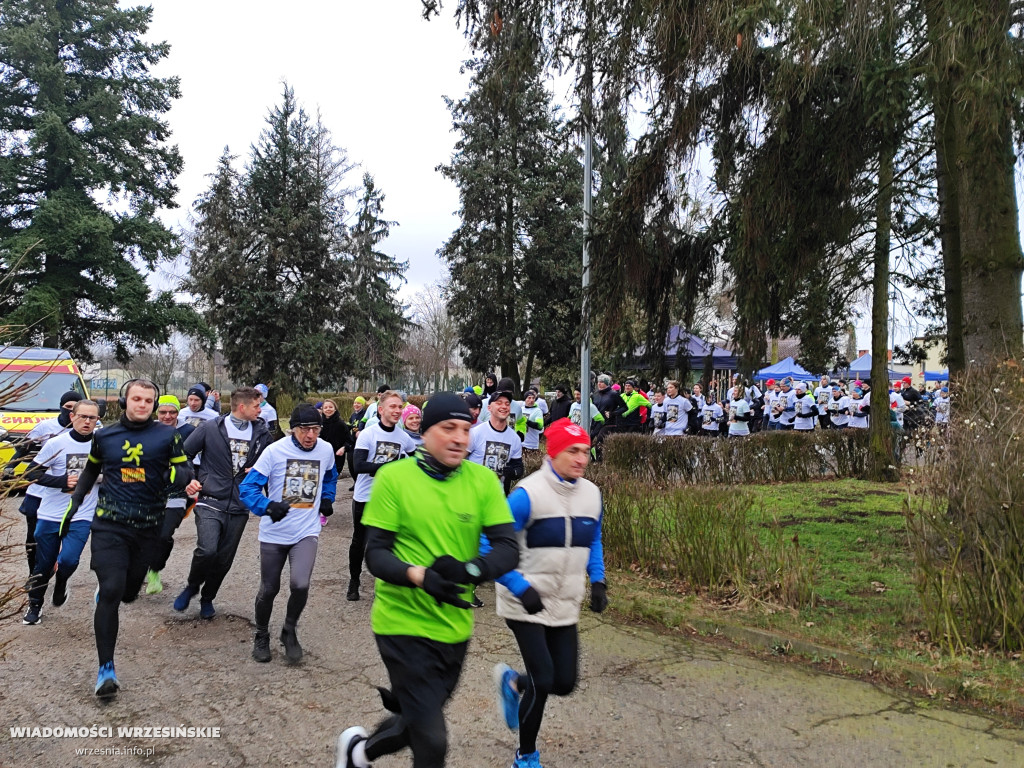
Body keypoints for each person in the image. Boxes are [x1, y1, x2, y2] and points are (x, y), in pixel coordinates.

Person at [335, 393, 519, 768]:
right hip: (400, 623)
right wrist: (419, 577)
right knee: (432, 744)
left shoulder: (483, 482)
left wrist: (469, 571)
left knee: (419, 720)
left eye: (465, 429)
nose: (459, 438)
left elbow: (507, 548)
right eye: (448, 428)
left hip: (453, 627)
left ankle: (358, 752)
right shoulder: (394, 478)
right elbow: (376, 555)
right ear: (427, 432)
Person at [64, 379, 193, 697]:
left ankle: (125, 589)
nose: (143, 405)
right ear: (125, 401)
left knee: (129, 592)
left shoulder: (167, 436)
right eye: (137, 399)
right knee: (110, 591)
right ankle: (105, 670)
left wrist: (176, 478)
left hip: (148, 526)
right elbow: (91, 472)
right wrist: (76, 502)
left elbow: (184, 470)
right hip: (109, 526)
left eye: (149, 401)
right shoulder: (104, 437)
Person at [492, 418, 606, 768]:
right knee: (543, 680)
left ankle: (513, 682)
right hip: (524, 600)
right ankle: (526, 756)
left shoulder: (591, 494)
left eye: (585, 452)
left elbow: (594, 539)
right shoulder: (528, 494)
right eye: (573, 451)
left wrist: (598, 580)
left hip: (565, 602)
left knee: (565, 682)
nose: (581, 459)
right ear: (552, 452)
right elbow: (492, 543)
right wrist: (518, 586)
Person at [237, 404, 336, 663]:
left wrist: (327, 497)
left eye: (315, 429)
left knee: (300, 584)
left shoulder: (325, 450)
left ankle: (289, 630)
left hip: (306, 530)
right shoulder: (274, 451)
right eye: (304, 430)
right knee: (269, 588)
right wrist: (267, 506)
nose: (310, 435)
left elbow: (330, 476)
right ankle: (261, 635)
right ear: (293, 429)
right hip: (274, 533)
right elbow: (247, 489)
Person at [173, 387, 271, 618]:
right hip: (210, 498)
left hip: (240, 504)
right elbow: (183, 454)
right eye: (257, 406)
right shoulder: (211, 428)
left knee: (224, 558)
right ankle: (192, 586)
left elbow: (272, 465)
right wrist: (191, 479)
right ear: (242, 407)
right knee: (207, 550)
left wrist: (258, 473)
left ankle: (208, 598)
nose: (260, 410)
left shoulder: (262, 434)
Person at [20, 399, 102, 624]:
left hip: (82, 515)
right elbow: (31, 474)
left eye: (92, 417)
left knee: (69, 560)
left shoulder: (101, 445)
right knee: (43, 565)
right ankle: (35, 606)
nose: (87, 421)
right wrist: (61, 481)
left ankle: (62, 582)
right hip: (50, 514)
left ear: (97, 420)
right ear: (72, 416)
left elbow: (114, 474)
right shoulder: (56, 444)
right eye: (82, 416)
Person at [349, 390, 419, 601]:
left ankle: (388, 584)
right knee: (359, 541)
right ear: (381, 410)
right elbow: (359, 465)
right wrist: (388, 467)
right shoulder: (369, 435)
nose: (398, 410)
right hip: (365, 496)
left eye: (400, 407)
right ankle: (354, 581)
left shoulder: (404, 438)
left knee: (388, 543)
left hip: (389, 498)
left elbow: (416, 462)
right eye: (393, 407)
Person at [4, 390, 82, 574]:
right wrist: (10, 468)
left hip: (65, 494)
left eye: (74, 408)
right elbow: (24, 448)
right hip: (39, 489)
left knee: (60, 535)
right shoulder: (45, 426)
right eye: (67, 407)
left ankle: (56, 566)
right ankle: (34, 573)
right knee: (33, 536)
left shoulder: (85, 432)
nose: (70, 412)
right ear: (61, 408)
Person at [144, 395, 197, 595]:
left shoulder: (188, 431)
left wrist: (193, 479)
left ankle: (155, 570)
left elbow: (193, 460)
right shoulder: (148, 431)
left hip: (177, 492)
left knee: (164, 534)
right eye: (163, 412)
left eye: (172, 412)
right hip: (149, 493)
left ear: (178, 412)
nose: (168, 416)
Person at [468, 388, 524, 496]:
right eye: (499, 403)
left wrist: (512, 473)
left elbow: (519, 467)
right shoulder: (475, 433)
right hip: (473, 494)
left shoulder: (514, 438)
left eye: (507, 404)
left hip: (497, 496)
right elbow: (460, 461)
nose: (504, 406)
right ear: (489, 408)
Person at [320, 398, 351, 525]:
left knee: (330, 482)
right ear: (322, 410)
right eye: (325, 407)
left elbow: (350, 441)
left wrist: (343, 448)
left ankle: (324, 510)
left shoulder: (341, 424)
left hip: (336, 459)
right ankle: (319, 507)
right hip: (321, 458)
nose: (328, 409)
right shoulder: (319, 424)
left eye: (330, 407)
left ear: (335, 408)